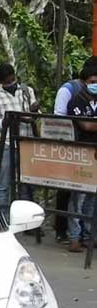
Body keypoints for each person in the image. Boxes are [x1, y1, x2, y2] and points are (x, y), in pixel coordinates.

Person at [0, 63, 38, 217]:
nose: (11, 84)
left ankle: (27, 220)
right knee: (3, 184)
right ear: (1, 82)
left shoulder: (26, 91)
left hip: (26, 142)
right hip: (8, 144)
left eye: (12, 80)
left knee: (27, 184)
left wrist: (33, 112)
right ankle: (2, 218)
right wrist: (6, 121)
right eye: (7, 82)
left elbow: (35, 115)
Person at [64, 63, 97, 252]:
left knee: (93, 198)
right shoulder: (77, 101)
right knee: (78, 196)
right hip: (80, 155)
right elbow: (86, 126)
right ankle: (74, 237)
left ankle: (88, 236)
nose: (96, 84)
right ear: (85, 82)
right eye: (93, 81)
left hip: (95, 155)